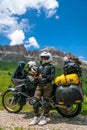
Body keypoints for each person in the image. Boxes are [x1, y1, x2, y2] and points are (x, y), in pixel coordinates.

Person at [29, 51, 55, 126]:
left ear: (48, 58)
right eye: (42, 57)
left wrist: (43, 76)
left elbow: (52, 77)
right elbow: (37, 75)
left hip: (47, 85)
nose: (43, 58)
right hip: (39, 85)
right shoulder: (39, 66)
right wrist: (35, 76)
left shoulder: (51, 66)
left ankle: (45, 117)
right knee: (34, 100)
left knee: (45, 102)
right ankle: (36, 117)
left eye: (45, 57)